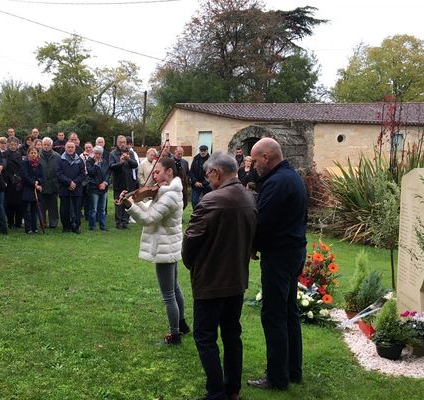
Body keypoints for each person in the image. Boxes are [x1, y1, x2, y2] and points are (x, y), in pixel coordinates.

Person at [182, 152, 257, 400]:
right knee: (232, 334)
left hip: (212, 280)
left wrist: (192, 263)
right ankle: (232, 389)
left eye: (208, 174)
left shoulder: (211, 200)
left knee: (205, 337)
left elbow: (191, 239)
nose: (208, 179)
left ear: (216, 173)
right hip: (236, 279)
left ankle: (216, 393)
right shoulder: (249, 197)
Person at [247, 137, 307, 390]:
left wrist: (251, 245)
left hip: (280, 256)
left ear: (266, 157)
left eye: (255, 160)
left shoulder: (277, 182)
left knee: (274, 315)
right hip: (294, 251)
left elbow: (263, 221)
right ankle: (292, 370)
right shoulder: (290, 177)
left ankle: (277, 377)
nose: (253, 165)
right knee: (289, 312)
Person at [121, 157, 189, 344]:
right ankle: (182, 325)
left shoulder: (170, 195)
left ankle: (175, 335)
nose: (154, 175)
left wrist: (129, 205)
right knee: (174, 289)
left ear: (169, 172)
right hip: (169, 245)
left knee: (168, 294)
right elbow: (151, 210)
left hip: (164, 248)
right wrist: (135, 201)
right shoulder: (168, 191)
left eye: (157, 172)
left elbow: (148, 219)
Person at [109, 135, 138, 229]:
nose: (122, 144)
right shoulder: (113, 153)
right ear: (117, 143)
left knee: (127, 202)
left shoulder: (130, 152)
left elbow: (135, 165)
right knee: (119, 202)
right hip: (118, 182)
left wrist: (128, 159)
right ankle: (119, 222)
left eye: (124, 142)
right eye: (120, 142)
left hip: (128, 182)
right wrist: (120, 162)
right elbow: (111, 166)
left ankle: (125, 221)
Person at [57, 141, 84, 233]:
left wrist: (74, 183)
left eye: (72, 147)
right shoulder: (61, 160)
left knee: (76, 209)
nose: (70, 149)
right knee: (64, 209)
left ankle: (76, 226)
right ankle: (66, 226)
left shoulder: (79, 160)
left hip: (76, 188)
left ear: (75, 148)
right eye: (68, 147)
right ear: (65, 148)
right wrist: (69, 182)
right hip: (64, 188)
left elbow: (82, 174)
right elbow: (59, 174)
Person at [20, 146, 44, 234]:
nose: (33, 154)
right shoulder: (24, 163)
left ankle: (35, 228)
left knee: (35, 209)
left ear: (37, 154)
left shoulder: (39, 165)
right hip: (27, 189)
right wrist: (34, 184)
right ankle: (28, 228)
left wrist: (38, 182)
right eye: (31, 153)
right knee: (27, 210)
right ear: (28, 154)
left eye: (35, 153)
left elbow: (42, 176)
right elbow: (25, 176)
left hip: (36, 190)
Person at [86, 145, 109, 231]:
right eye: (96, 153)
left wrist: (105, 183)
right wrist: (95, 164)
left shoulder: (105, 162)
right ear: (93, 153)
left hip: (103, 188)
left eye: (99, 154)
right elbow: (91, 173)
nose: (97, 156)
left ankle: (103, 226)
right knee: (93, 209)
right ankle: (92, 227)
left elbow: (107, 173)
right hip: (94, 188)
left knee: (102, 209)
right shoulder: (89, 161)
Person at [39, 137, 61, 228]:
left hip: (53, 184)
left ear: (51, 145)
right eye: (45, 145)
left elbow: (60, 170)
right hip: (41, 184)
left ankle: (53, 223)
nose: (46, 146)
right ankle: (42, 222)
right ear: (42, 145)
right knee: (41, 206)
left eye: (48, 145)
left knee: (53, 206)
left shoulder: (57, 156)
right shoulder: (38, 155)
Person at [3, 137, 24, 229]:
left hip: (18, 181)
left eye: (15, 145)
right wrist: (10, 177)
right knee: (10, 204)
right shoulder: (4, 154)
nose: (13, 146)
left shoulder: (19, 155)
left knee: (19, 204)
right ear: (8, 144)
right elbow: (4, 168)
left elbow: (21, 167)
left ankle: (18, 222)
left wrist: (19, 177)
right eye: (11, 144)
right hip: (9, 181)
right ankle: (10, 222)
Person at [189, 145, 211, 209]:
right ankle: (196, 215)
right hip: (196, 184)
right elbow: (191, 171)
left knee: (208, 202)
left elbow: (211, 173)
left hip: (207, 185)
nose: (203, 152)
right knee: (194, 201)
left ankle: (207, 216)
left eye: (204, 151)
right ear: (199, 151)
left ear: (207, 151)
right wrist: (195, 181)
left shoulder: (210, 160)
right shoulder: (195, 159)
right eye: (201, 151)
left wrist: (204, 183)